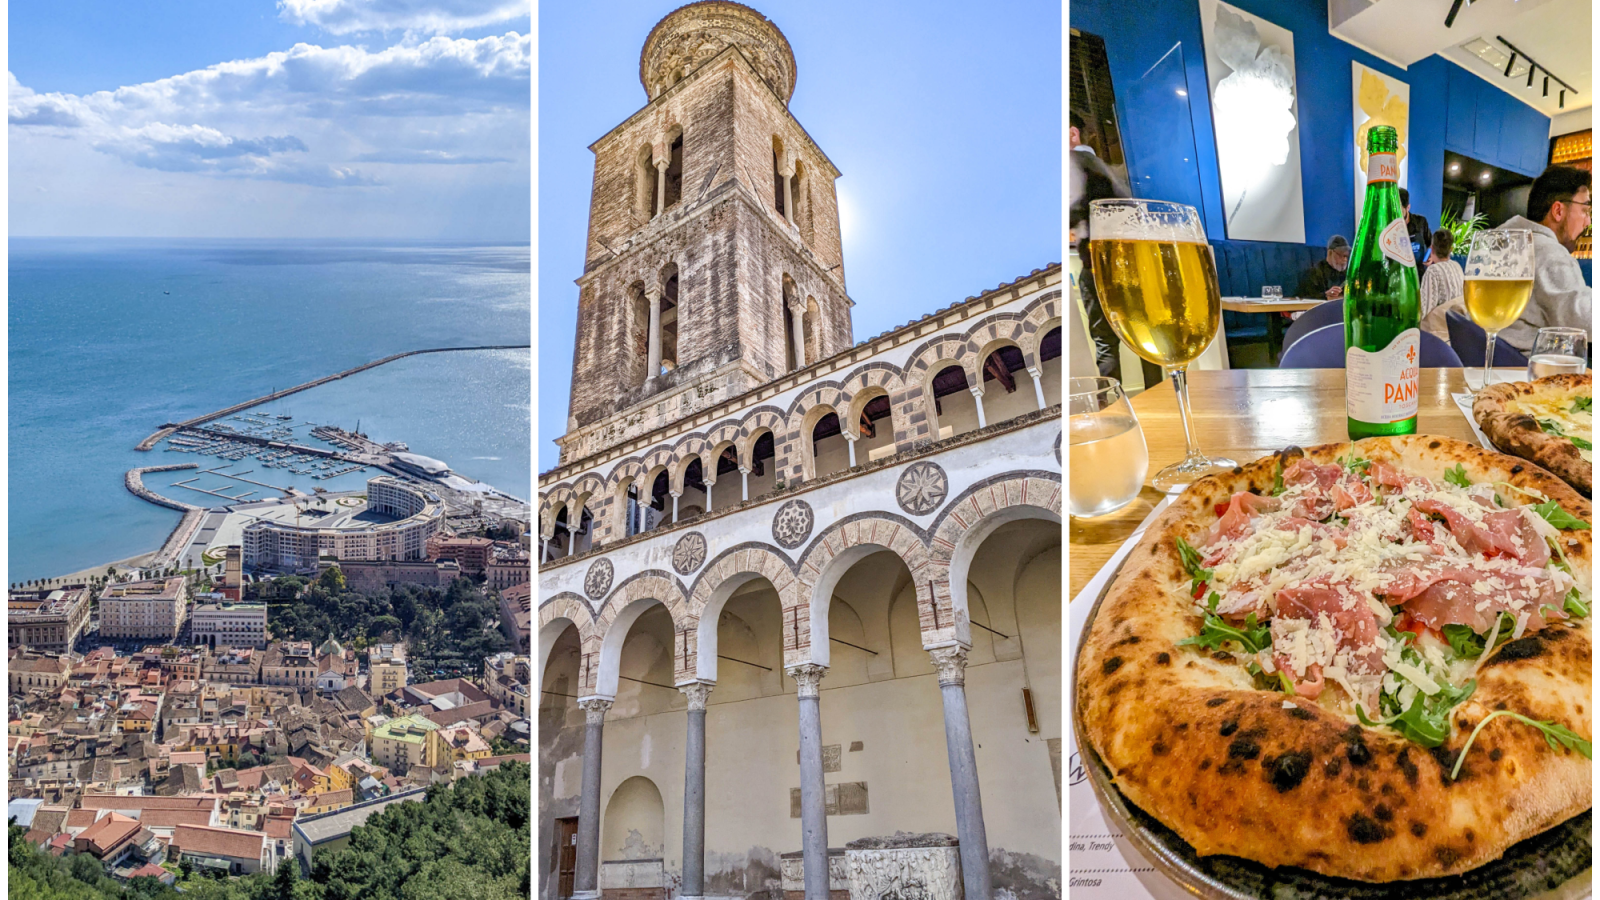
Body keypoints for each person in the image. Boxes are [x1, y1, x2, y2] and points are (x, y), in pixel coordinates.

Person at [1492, 165, 1592, 353]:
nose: (1588, 222)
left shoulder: (1504, 242)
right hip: (1532, 372)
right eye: (1585, 211)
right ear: (1558, 211)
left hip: (1495, 361)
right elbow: (1586, 320)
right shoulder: (1548, 253)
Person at [1069, 109, 1131, 380]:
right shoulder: (1108, 167)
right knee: (1139, 334)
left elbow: (1074, 210)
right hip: (1128, 261)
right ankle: (1153, 399)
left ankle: (1113, 408)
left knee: (1105, 342)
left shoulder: (1075, 162)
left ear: (1072, 133)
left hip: (1099, 265)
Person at [1419, 229, 1464, 343]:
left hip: (1438, 336)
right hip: (1456, 329)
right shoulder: (1457, 266)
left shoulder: (1432, 272)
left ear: (1432, 249)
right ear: (1451, 249)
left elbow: (1424, 309)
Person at [1298, 235, 1350, 301]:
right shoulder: (1315, 272)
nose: (1344, 259)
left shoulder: (1347, 274)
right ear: (1330, 253)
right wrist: (1325, 295)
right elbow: (1305, 297)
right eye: (1341, 255)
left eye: (1346, 256)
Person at [1398, 187, 1432, 269]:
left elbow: (1431, 243)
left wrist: (1430, 256)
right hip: (1398, 272)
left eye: (1400, 212)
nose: (1397, 216)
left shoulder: (1421, 222)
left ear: (1408, 208)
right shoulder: (1389, 225)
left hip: (1418, 272)